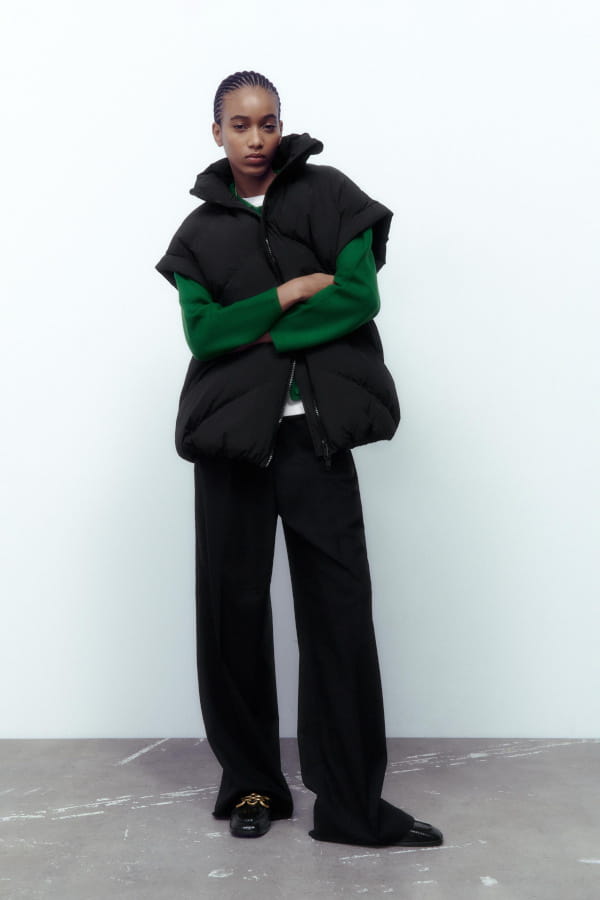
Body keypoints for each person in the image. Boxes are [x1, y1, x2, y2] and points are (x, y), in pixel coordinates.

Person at [155, 70, 443, 848]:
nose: (256, 139)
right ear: (216, 132)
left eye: (269, 122)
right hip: (231, 444)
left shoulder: (330, 194)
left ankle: (350, 804)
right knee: (233, 614)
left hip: (313, 437)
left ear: (282, 125)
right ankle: (252, 784)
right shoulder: (198, 235)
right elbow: (204, 334)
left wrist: (258, 336)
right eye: (240, 125)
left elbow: (358, 296)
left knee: (339, 614)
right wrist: (286, 296)